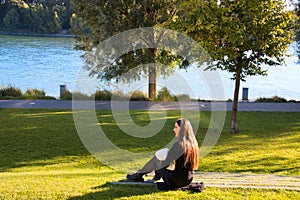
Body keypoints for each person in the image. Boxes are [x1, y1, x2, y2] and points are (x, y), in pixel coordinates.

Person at [126, 118, 199, 190]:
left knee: (158, 159)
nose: (174, 130)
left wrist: (160, 159)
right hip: (188, 180)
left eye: (176, 127)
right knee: (159, 159)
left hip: (176, 181)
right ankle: (144, 174)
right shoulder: (193, 145)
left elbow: (166, 163)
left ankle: (139, 174)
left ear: (182, 129)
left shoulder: (179, 145)